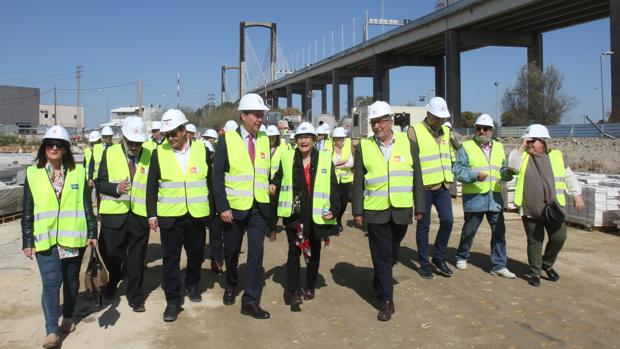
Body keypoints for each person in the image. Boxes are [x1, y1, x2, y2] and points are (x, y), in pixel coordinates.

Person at [21, 125, 97, 348]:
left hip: (72, 239)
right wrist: (27, 240)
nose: (54, 148)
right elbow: (27, 209)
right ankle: (51, 331)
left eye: (59, 145)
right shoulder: (32, 174)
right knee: (51, 284)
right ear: (44, 148)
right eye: (50, 144)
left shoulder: (78, 172)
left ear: (65, 149)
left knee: (71, 281)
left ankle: (69, 316)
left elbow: (86, 206)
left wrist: (92, 232)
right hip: (45, 240)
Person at [352, 101, 425, 321]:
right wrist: (358, 210)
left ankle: (379, 280)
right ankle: (386, 301)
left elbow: (417, 177)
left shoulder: (408, 143)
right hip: (375, 209)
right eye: (373, 123)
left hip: (401, 208)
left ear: (390, 121)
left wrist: (419, 205)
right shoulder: (364, 147)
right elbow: (357, 182)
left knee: (392, 253)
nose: (376, 127)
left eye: (380, 122)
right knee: (381, 254)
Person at [146, 109, 211, 321]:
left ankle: (192, 284)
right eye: (167, 134)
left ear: (185, 131)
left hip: (195, 215)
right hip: (169, 216)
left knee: (195, 254)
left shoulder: (202, 150)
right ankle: (173, 300)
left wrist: (214, 211)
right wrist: (151, 214)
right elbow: (151, 187)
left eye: (174, 133)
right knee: (171, 259)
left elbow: (211, 181)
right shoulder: (159, 152)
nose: (170, 138)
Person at [213, 93, 272, 319]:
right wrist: (223, 207)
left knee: (256, 254)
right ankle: (231, 283)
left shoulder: (265, 140)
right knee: (231, 250)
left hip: (258, 207)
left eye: (261, 115)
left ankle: (250, 300)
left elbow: (266, 172)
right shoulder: (227, 140)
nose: (260, 119)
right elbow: (216, 177)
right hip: (234, 208)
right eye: (256, 115)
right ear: (243, 116)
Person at [271, 122, 339, 310]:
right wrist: (273, 184)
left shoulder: (324, 159)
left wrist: (334, 207)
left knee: (313, 252)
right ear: (295, 140)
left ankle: (310, 285)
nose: (303, 141)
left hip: (316, 214)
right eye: (300, 138)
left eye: (307, 137)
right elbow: (278, 176)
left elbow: (334, 187)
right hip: (295, 214)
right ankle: (293, 291)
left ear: (314, 139)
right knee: (294, 252)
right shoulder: (287, 157)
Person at [508, 124, 584, 287]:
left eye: (533, 140)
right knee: (535, 240)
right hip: (530, 208)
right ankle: (535, 273)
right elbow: (512, 167)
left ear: (543, 141)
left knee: (559, 237)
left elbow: (569, 176)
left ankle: (547, 263)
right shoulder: (522, 157)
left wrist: (576, 194)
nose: (529, 143)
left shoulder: (556, 156)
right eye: (528, 140)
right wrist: (521, 147)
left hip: (554, 208)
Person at [95, 117, 152, 312]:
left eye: (138, 143)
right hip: (114, 214)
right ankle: (114, 277)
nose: (134, 146)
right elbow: (99, 182)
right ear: (123, 138)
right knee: (110, 253)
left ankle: (135, 296)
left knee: (136, 260)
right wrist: (115, 188)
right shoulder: (109, 153)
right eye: (131, 142)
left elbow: (154, 187)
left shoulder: (150, 155)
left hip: (139, 215)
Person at [453, 114, 515, 278]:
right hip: (475, 198)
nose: (481, 131)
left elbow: (501, 171)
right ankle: (462, 256)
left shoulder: (500, 148)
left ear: (491, 131)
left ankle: (499, 265)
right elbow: (458, 172)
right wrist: (474, 176)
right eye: (479, 128)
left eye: (485, 129)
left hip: (494, 198)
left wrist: (508, 173)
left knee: (499, 232)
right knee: (470, 230)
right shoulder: (466, 147)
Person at [408, 96, 455, 279]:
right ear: (428, 113)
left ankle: (438, 257)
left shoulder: (445, 131)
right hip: (424, 187)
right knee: (423, 226)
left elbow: (451, 153)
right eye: (438, 117)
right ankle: (424, 263)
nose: (441, 120)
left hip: (443, 184)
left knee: (448, 221)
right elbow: (412, 160)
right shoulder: (415, 131)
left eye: (443, 117)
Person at [331, 126, 353, 232]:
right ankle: (335, 222)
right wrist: (342, 162)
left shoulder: (347, 149)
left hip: (346, 181)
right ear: (334, 139)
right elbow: (330, 163)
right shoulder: (330, 150)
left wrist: (338, 165)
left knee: (344, 203)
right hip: (334, 181)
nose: (341, 140)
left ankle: (338, 219)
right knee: (335, 203)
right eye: (339, 138)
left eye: (342, 138)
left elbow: (351, 163)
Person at [266, 125, 286, 241]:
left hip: (277, 181)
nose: (271, 139)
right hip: (264, 181)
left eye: (273, 137)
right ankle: (270, 226)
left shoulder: (282, 148)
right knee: (267, 207)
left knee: (274, 207)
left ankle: (273, 229)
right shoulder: (263, 148)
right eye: (269, 137)